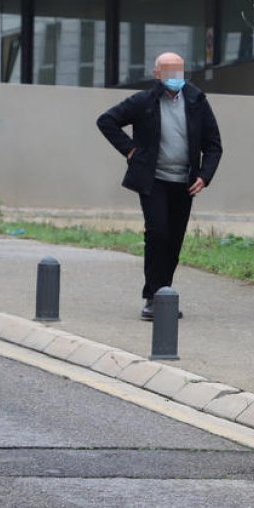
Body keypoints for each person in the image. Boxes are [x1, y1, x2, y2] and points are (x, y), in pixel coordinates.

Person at [97, 52, 222, 320]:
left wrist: (205, 175)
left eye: (180, 71)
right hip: (153, 181)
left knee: (174, 238)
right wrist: (130, 150)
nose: (176, 78)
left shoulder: (197, 100)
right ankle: (153, 296)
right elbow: (106, 121)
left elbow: (213, 144)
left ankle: (165, 292)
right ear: (157, 74)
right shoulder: (144, 101)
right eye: (169, 72)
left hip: (185, 183)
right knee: (158, 233)